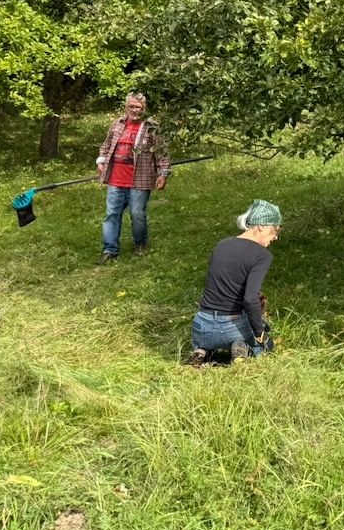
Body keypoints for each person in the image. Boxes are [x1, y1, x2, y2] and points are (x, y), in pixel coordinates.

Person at [188, 199, 281, 364]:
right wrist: (260, 334)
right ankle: (241, 346)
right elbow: (250, 299)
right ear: (262, 226)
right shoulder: (262, 255)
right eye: (275, 230)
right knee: (262, 348)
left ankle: (202, 349)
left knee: (208, 337)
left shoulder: (221, 245)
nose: (276, 237)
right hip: (231, 327)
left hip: (201, 324)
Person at [96, 91, 171, 264]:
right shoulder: (117, 124)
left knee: (137, 213)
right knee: (112, 214)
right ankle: (109, 250)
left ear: (144, 109)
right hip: (116, 178)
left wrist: (163, 173)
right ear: (126, 107)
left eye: (138, 107)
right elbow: (106, 145)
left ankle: (140, 244)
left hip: (140, 178)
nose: (134, 110)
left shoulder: (151, 127)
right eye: (131, 106)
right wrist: (101, 161)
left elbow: (162, 152)